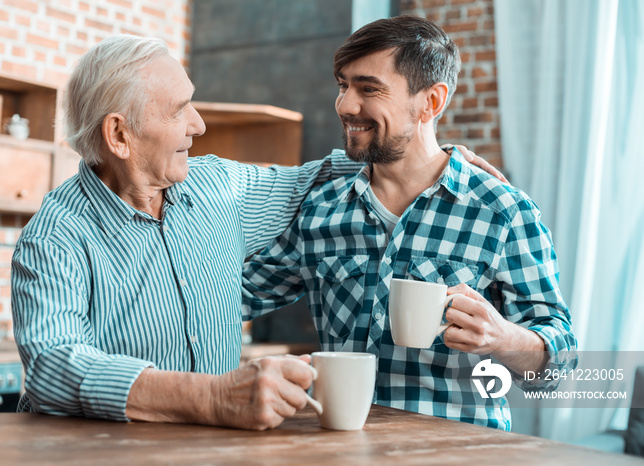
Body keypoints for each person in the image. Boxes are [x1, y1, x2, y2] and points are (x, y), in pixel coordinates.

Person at [11, 33, 500, 430]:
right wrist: (212, 398)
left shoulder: (217, 187)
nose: (197, 124)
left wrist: (430, 155)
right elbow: (52, 367)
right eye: (179, 109)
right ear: (119, 135)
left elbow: (316, 175)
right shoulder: (57, 235)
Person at [242, 15, 578, 431]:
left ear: (431, 102)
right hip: (340, 448)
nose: (345, 105)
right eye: (342, 85)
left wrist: (502, 337)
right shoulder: (321, 209)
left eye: (368, 89)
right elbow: (232, 298)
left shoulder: (503, 212)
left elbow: (560, 364)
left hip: (459, 455)